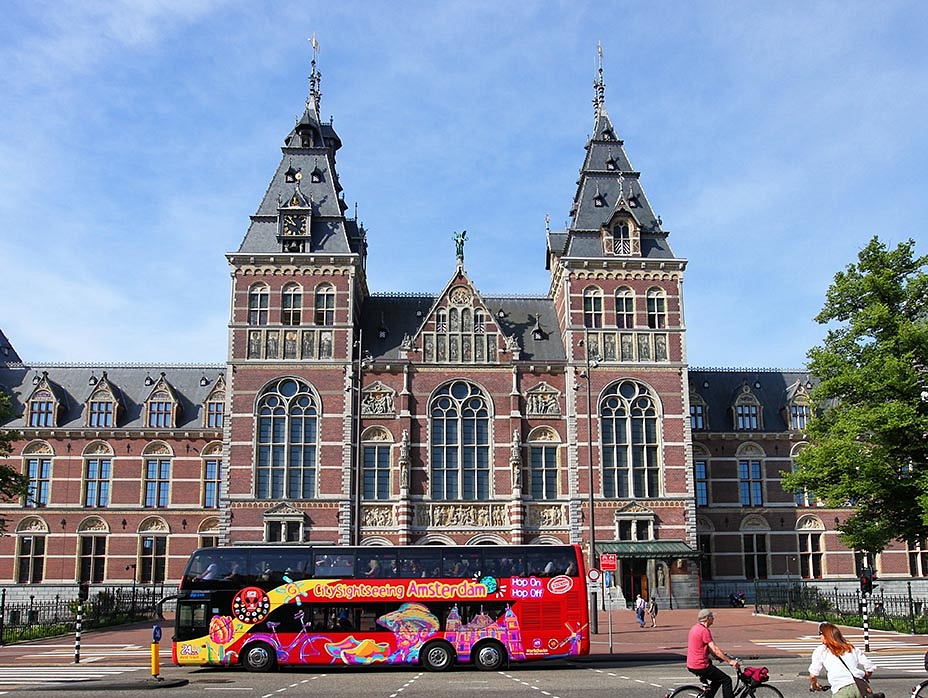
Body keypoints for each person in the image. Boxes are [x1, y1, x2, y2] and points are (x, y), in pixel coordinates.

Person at [809, 622, 884, 697]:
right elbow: (870, 667)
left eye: (821, 634)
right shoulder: (850, 648)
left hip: (842, 691)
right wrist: (864, 677)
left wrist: (814, 685)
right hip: (861, 688)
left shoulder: (821, 651)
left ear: (826, 636)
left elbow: (813, 675)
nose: (820, 637)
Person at [686, 609, 739, 698]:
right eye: (712, 617)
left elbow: (707, 648)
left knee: (717, 679)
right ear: (707, 618)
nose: (713, 618)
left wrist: (720, 657)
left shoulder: (694, 628)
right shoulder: (704, 631)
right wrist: (730, 661)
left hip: (691, 664)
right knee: (726, 680)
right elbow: (714, 649)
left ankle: (708, 696)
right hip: (700, 665)